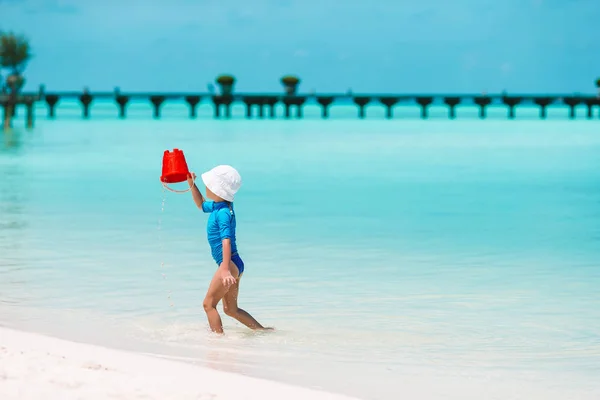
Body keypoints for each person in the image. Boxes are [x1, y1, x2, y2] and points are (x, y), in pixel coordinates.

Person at [187, 165, 271, 334]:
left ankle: (218, 343)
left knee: (208, 304)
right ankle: (264, 332)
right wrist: (191, 184)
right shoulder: (220, 206)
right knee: (231, 309)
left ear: (218, 190)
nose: (206, 187)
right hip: (235, 263)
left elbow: (226, 241)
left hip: (229, 264)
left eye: (209, 185)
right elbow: (201, 204)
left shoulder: (223, 212)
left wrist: (224, 269)